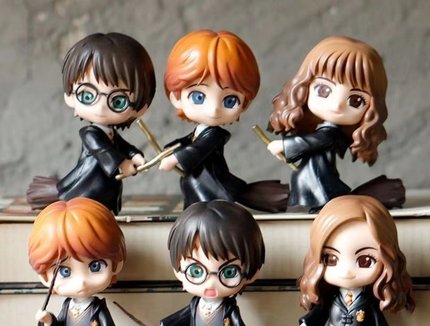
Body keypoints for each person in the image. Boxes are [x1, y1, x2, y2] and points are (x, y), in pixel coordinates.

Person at [295, 195, 415, 326]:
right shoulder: (331, 298)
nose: (347, 271)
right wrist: (306, 325)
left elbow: (377, 318)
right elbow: (319, 314)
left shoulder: (367, 300)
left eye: (366, 260)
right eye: (331, 259)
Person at [267, 36, 403, 212]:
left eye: (356, 100)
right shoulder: (327, 132)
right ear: (304, 86)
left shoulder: (329, 134)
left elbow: (314, 141)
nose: (337, 105)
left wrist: (284, 146)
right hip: (318, 182)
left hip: (321, 185)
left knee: (326, 209)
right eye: (324, 90)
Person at [159, 29, 288, 212]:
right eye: (198, 97)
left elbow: (198, 149)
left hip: (212, 187)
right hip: (199, 185)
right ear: (176, 97)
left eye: (229, 100)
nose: (214, 110)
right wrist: (171, 149)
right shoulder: (200, 132)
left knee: (207, 214)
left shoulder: (216, 135)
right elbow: (190, 142)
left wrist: (175, 158)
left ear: (245, 103)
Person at [27, 32, 156, 214]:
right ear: (70, 96)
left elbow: (122, 146)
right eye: (87, 95)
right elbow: (103, 150)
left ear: (141, 107)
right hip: (87, 188)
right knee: (89, 213)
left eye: (118, 101)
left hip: (105, 188)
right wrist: (123, 164)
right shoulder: (90, 134)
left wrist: (134, 155)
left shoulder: (111, 134)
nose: (101, 107)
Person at [154, 200, 265, 326]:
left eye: (229, 272)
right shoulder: (195, 305)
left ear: (251, 272)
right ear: (178, 270)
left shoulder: (229, 309)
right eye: (196, 271)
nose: (211, 283)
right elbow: (181, 318)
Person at [28, 197, 127, 326]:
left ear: (116, 264)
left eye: (95, 266)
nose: (81, 282)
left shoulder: (97, 308)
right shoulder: (67, 306)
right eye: (65, 271)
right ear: (45, 277)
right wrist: (47, 320)